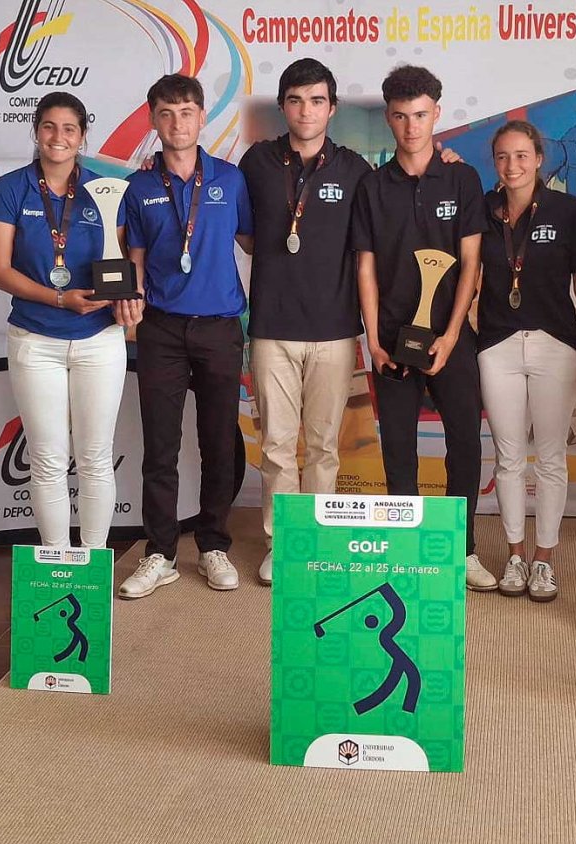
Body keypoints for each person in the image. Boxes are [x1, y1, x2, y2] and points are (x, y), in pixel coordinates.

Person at [351, 64, 495, 590]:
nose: (411, 127)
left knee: (465, 444)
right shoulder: (372, 186)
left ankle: (464, 549)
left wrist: (452, 335)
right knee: (398, 449)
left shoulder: (462, 178)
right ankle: (407, 551)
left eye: (419, 115)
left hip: (451, 337)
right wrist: (373, 339)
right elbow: (365, 267)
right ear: (388, 118)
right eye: (400, 116)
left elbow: (471, 262)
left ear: (436, 112)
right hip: (391, 340)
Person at [0, 91, 141, 552]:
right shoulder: (11, 189)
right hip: (36, 341)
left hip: (98, 340)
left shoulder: (104, 191)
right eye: (49, 126)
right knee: (48, 460)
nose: (58, 137)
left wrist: (126, 300)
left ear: (82, 136)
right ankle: (56, 561)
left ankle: (92, 563)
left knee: (95, 458)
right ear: (36, 131)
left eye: (69, 128)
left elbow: (122, 262)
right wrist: (58, 298)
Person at [117, 74, 255, 599]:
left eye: (187, 112)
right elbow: (134, 257)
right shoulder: (139, 186)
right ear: (154, 119)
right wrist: (131, 304)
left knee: (218, 441)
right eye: (167, 113)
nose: (178, 123)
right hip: (161, 329)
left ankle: (214, 545)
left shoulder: (231, 179)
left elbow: (251, 239)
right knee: (161, 445)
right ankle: (160, 552)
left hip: (220, 326)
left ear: (202, 117)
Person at [237, 59, 373, 586]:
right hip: (271, 328)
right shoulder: (257, 162)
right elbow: (243, 232)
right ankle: (283, 543)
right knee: (275, 445)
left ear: (331, 108)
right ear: (283, 107)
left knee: (322, 446)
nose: (306, 110)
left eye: (317, 101)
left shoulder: (355, 170)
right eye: (295, 100)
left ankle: (317, 540)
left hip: (334, 329)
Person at [476, 120, 576, 603]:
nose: (512, 166)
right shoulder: (482, 210)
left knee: (550, 457)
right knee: (508, 456)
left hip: (556, 344)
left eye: (522, 156)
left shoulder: (567, 210)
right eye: (503, 157)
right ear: (494, 162)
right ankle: (515, 555)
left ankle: (544, 558)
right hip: (498, 345)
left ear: (539, 159)